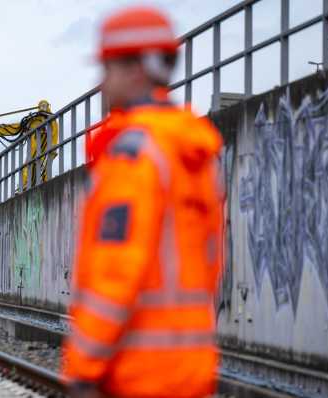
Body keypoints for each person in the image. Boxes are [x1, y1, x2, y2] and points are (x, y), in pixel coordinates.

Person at [62, 6, 224, 398]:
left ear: (137, 68)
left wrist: (82, 366)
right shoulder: (191, 149)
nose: (101, 84)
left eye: (107, 70)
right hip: (190, 370)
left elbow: (116, 271)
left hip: (136, 374)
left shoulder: (135, 154)